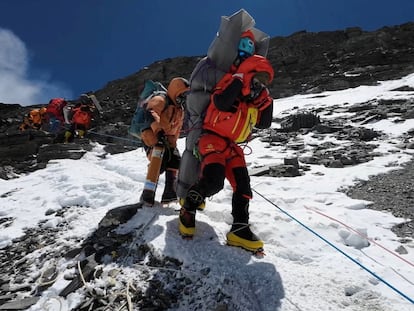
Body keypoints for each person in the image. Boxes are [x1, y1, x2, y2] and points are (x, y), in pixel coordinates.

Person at [178, 31, 274, 252]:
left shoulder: (254, 98)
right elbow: (221, 103)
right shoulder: (231, 81)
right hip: (211, 138)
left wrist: (265, 102)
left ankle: (239, 228)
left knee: (243, 186)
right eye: (256, 78)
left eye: (262, 81)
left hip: (232, 145)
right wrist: (241, 80)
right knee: (214, 180)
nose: (258, 84)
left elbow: (264, 124)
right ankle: (188, 209)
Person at [139, 77, 189, 206]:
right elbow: (151, 113)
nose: (183, 98)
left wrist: (173, 144)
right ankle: (147, 193)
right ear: (175, 91)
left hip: (167, 139)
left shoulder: (180, 110)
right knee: (159, 158)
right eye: (182, 94)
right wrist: (158, 131)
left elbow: (176, 130)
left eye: (185, 95)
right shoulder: (160, 100)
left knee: (176, 160)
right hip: (152, 134)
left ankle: (169, 193)